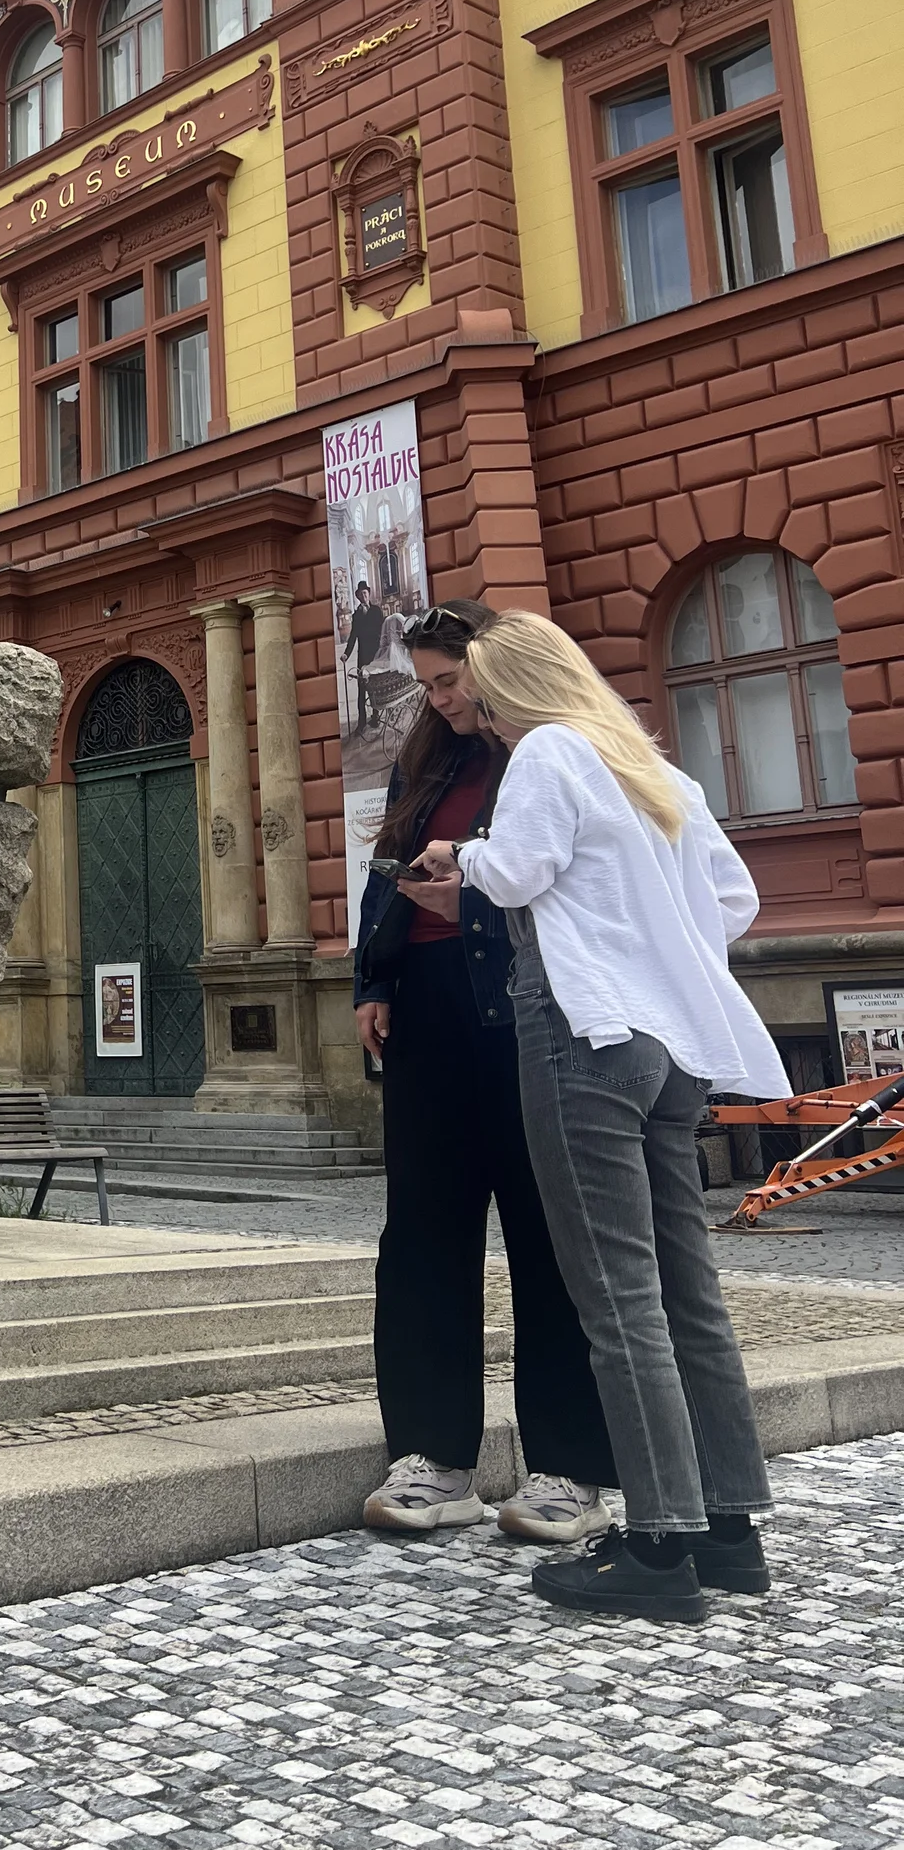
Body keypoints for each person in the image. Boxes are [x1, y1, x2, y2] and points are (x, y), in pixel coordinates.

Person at [420, 609, 787, 1622]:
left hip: (583, 1034)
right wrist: (656, 945)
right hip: (674, 1049)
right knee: (686, 1293)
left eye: (484, 700)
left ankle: (658, 1545)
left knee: (617, 1299)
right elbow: (733, 899)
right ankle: (727, 1531)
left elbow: (522, 870)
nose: (481, 720)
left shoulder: (546, 751)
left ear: (518, 690)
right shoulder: (656, 773)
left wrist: (462, 855)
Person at [354, 599, 617, 1544]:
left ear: (495, 664)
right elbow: (386, 869)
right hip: (427, 1005)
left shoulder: (553, 752)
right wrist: (374, 976)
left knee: (550, 1228)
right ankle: (433, 1457)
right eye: (429, 685)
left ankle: (571, 1468)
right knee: (422, 1229)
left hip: (529, 1002)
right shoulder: (427, 759)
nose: (442, 699)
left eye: (450, 680)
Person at [341, 582, 384, 733]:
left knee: (375, 688)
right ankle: (361, 723)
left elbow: (383, 631)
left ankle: (375, 717)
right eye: (361, 594)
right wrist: (347, 652)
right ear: (358, 596)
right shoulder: (356, 615)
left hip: (375, 656)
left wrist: (383, 650)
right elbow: (353, 636)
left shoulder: (376, 611)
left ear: (369, 594)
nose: (364, 596)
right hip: (362, 657)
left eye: (365, 593)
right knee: (361, 689)